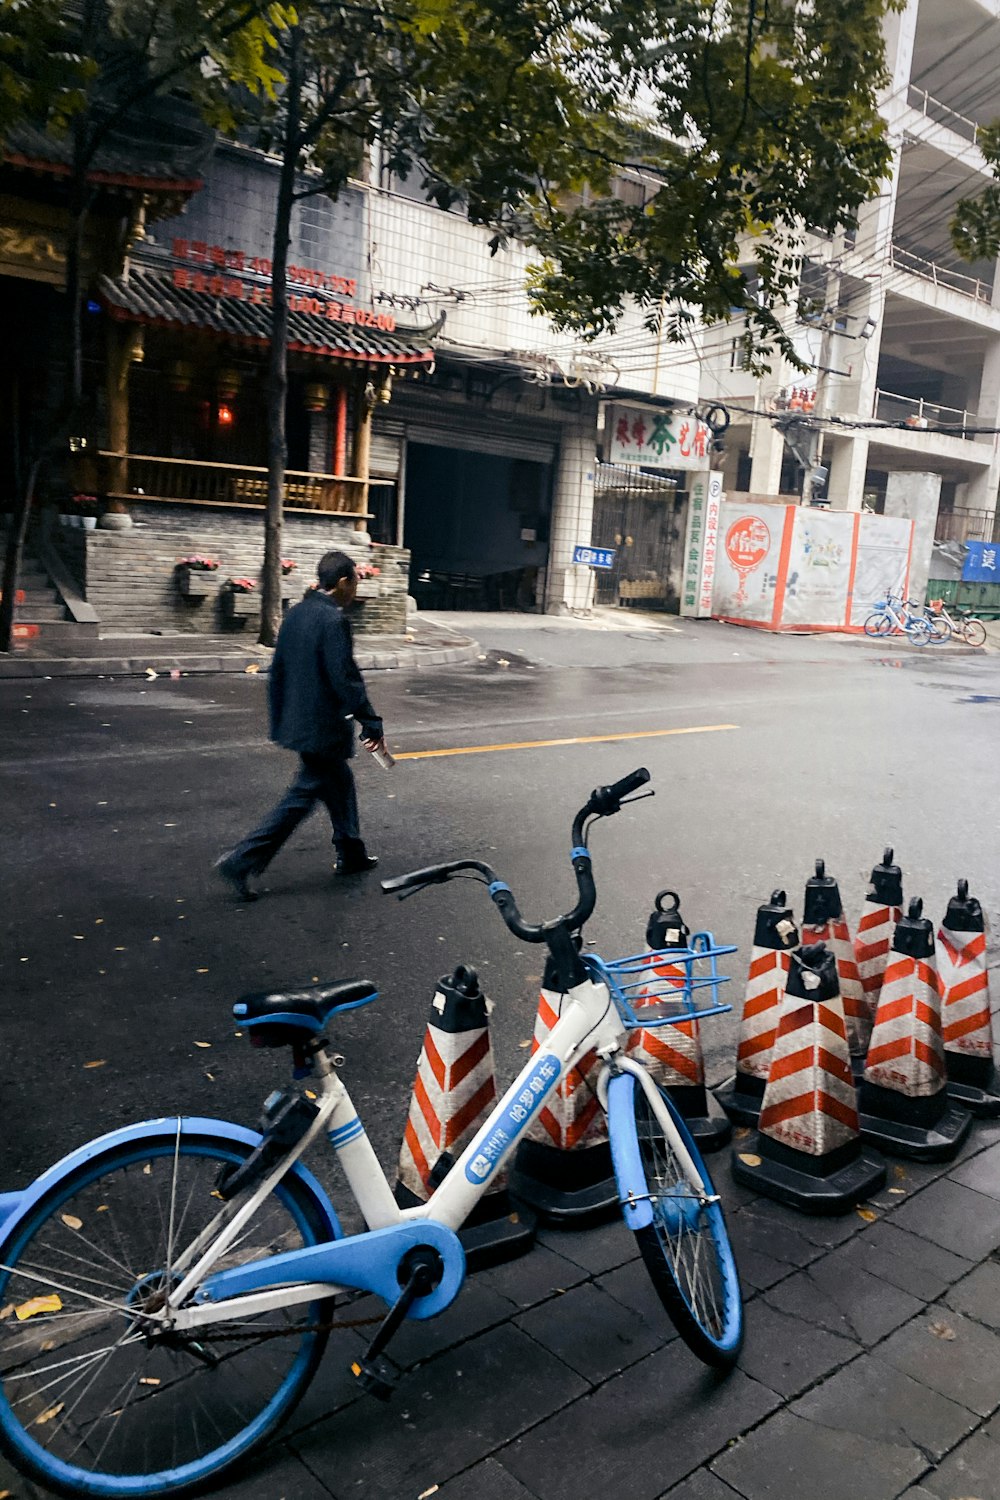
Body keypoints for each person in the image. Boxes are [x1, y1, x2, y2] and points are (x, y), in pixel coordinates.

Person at [215, 550, 387, 901]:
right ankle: (241, 860)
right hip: (322, 727)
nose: (356, 589)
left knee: (339, 781)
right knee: (302, 796)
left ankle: (351, 851)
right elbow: (345, 679)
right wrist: (371, 722)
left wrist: (281, 718)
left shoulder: (296, 613)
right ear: (342, 583)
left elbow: (278, 670)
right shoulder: (333, 621)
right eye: (355, 581)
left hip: (299, 721)